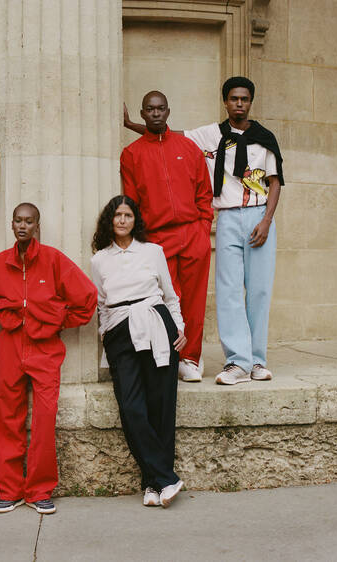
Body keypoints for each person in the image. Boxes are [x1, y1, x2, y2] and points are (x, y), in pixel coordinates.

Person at [125, 76, 284, 385]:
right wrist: (132, 125)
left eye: (245, 99)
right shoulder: (211, 134)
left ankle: (257, 361)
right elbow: (167, 135)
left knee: (260, 291)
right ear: (225, 101)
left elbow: (275, 182)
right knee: (228, 293)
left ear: (251, 102)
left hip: (258, 216)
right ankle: (237, 362)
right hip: (226, 216)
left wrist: (266, 220)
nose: (239, 103)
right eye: (234, 98)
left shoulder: (265, 138)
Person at [0, 203, 97, 515]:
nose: (23, 226)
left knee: (44, 419)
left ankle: (39, 490)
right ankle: (10, 490)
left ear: (37, 225)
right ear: (11, 225)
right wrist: (0, 315)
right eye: (18, 221)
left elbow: (87, 299)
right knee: (6, 417)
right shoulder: (0, 263)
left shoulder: (53, 260)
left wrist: (56, 321)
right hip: (10, 346)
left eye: (29, 221)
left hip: (45, 348)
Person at [90, 195, 186, 508]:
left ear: (135, 220)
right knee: (132, 407)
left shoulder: (153, 251)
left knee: (161, 406)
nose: (122, 220)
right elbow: (101, 303)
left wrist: (180, 328)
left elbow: (170, 296)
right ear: (109, 219)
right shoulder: (99, 259)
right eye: (117, 215)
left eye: (127, 215)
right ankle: (166, 478)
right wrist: (105, 334)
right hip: (120, 331)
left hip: (158, 325)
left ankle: (151, 484)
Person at [120, 91, 213, 383]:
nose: (156, 113)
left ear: (168, 112)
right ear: (143, 113)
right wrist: (143, 239)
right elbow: (131, 201)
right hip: (157, 238)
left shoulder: (188, 148)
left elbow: (204, 192)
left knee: (195, 302)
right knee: (165, 301)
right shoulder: (132, 154)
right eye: (150, 109)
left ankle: (190, 359)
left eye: (161, 108)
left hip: (193, 233)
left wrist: (202, 227)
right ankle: (170, 358)